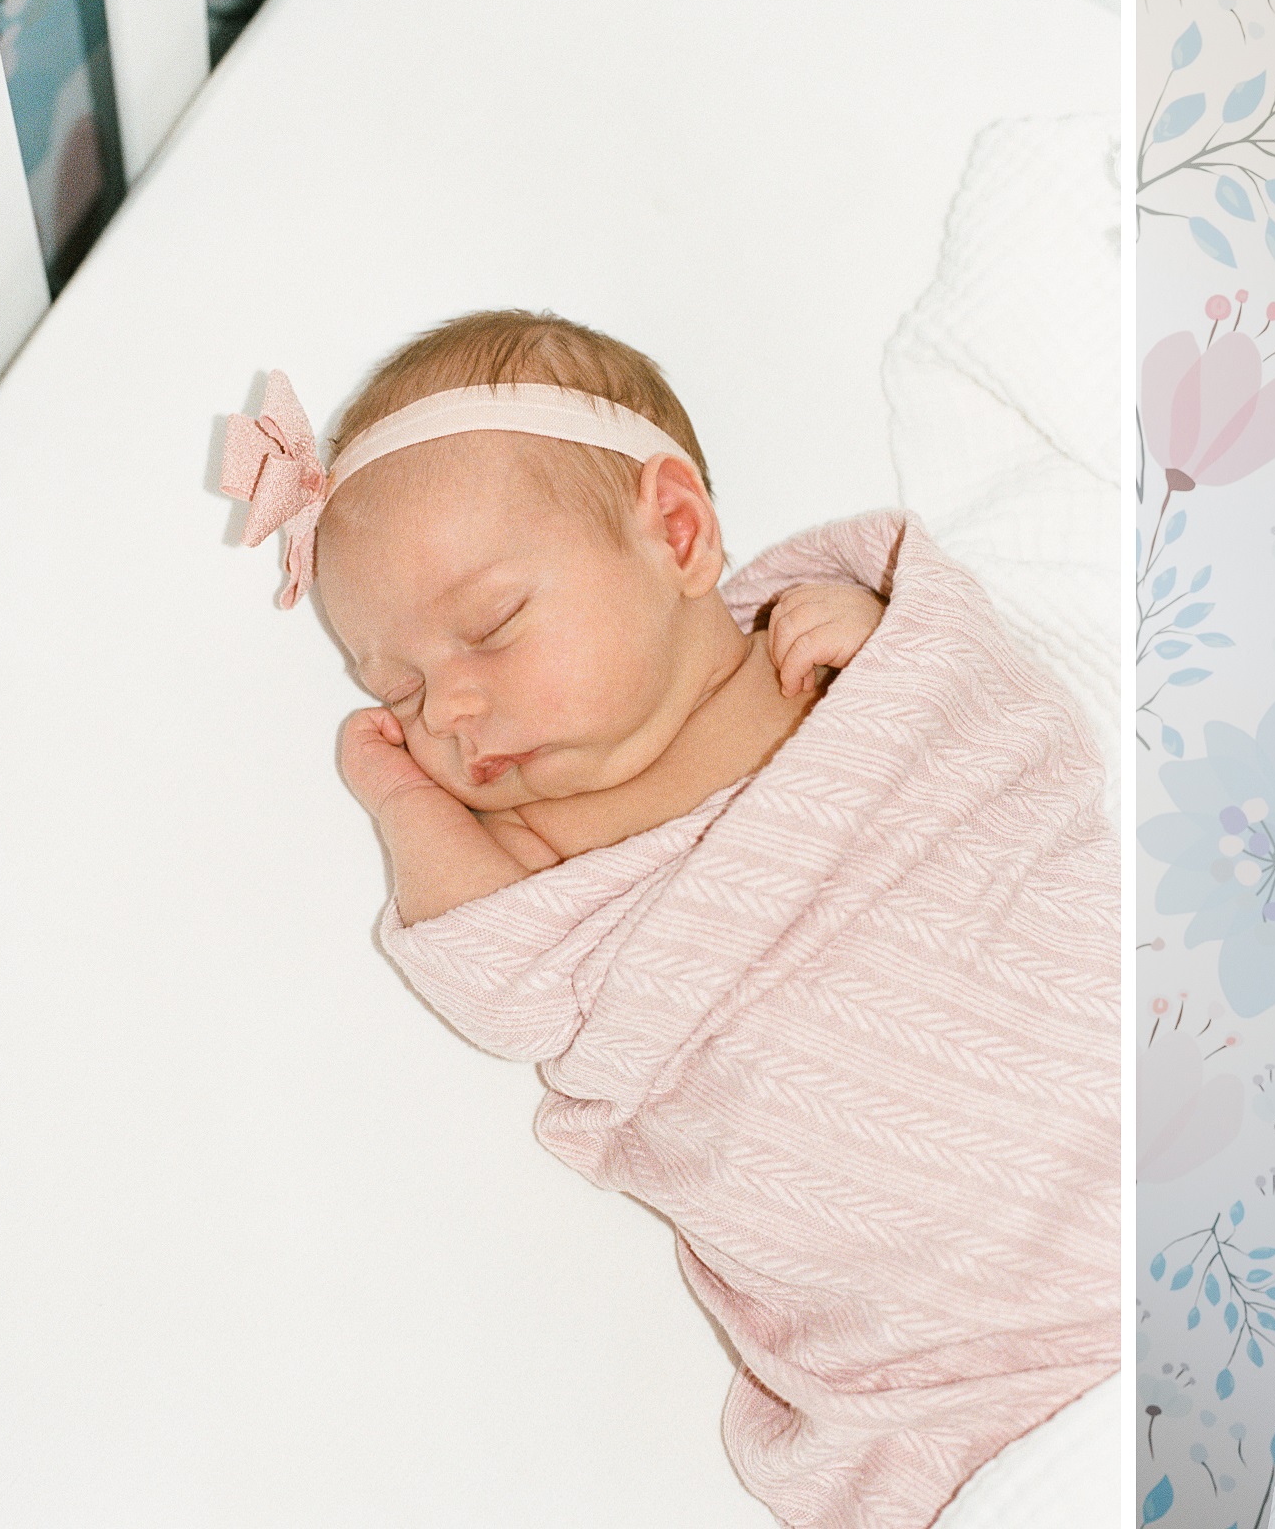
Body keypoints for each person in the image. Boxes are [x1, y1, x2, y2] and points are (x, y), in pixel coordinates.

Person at [217, 311, 1118, 1529]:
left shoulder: (829, 659)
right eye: (402, 690)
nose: (454, 709)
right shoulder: (545, 849)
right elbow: (494, 980)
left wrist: (890, 645)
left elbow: (1006, 728)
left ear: (678, 532)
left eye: (488, 628)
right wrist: (396, 796)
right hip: (938, 1365)